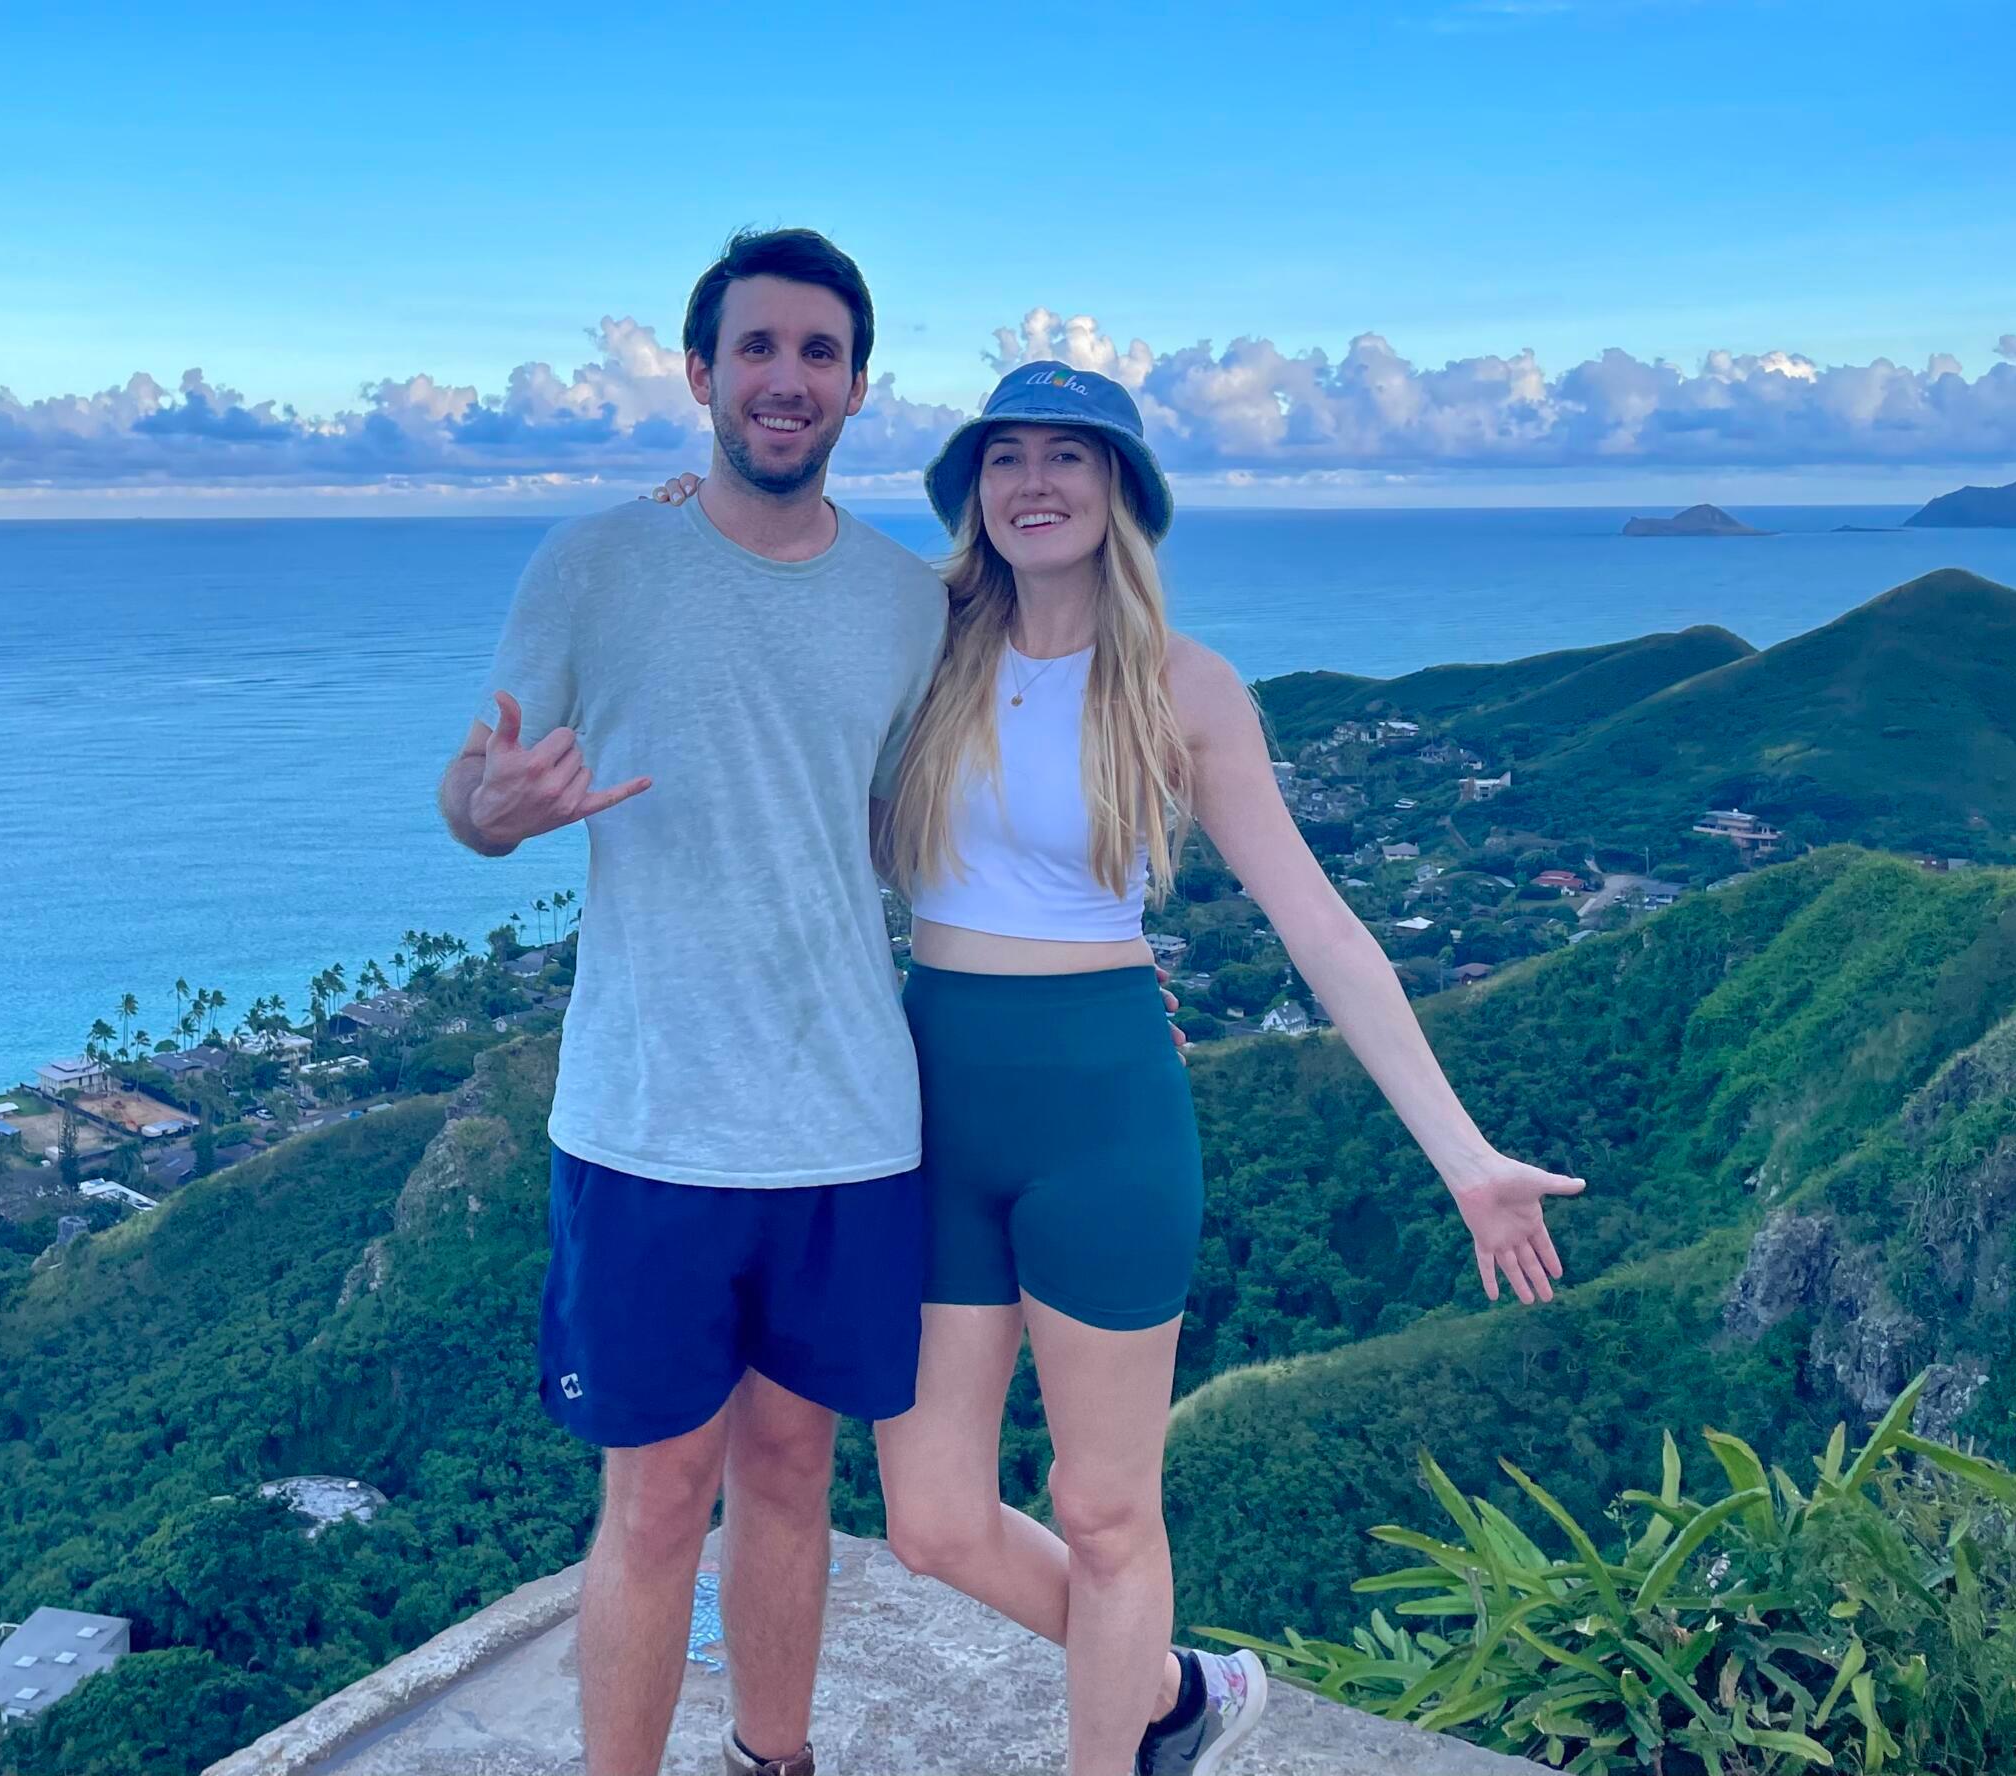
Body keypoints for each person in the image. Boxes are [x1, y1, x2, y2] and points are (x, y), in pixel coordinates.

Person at [647, 360, 1586, 1775]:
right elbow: (783, 595)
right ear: (975, 491)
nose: (1035, 483)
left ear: (1121, 492)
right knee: (933, 1521)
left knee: (1104, 1511)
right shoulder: (924, 637)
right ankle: (1167, 1692)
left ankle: (1119, 1746)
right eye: (1007, 456)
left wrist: (1464, 1155)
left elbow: (1321, 926)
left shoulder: (1182, 686)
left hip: (1106, 1115)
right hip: (935, 1110)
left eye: (1069, 458)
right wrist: (696, 512)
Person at [440, 228, 947, 1776]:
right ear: (699, 372)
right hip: (650, 1113)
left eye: (818, 352)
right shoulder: (597, 562)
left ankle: (772, 1764)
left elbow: (919, 837)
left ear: (860, 387)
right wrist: (501, 810)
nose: (786, 378)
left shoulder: (911, 605)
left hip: (847, 1116)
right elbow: (473, 787)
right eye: (757, 348)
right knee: (656, 1498)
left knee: (794, 1477)